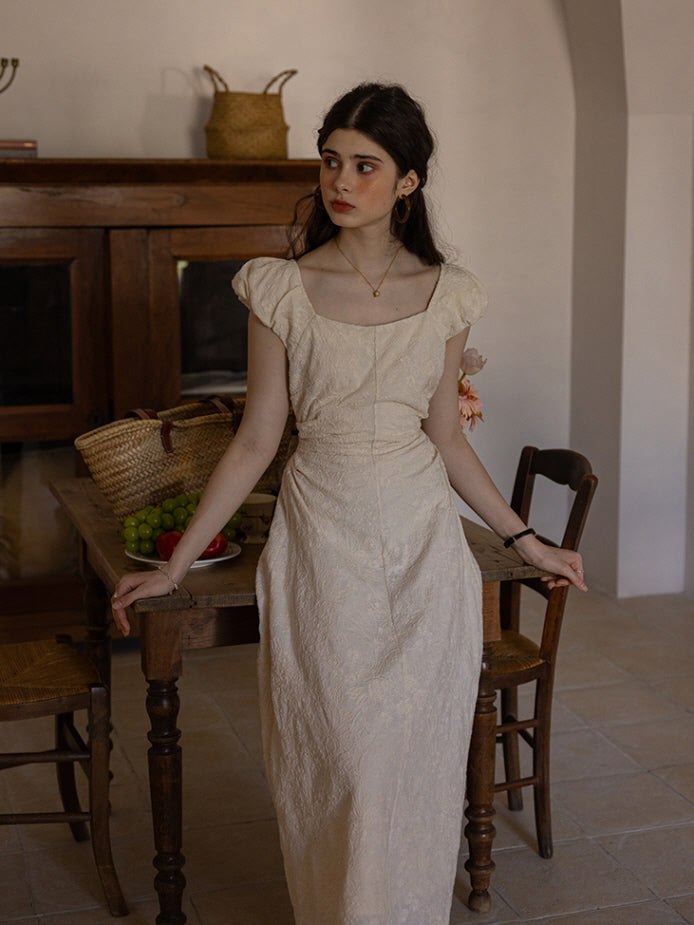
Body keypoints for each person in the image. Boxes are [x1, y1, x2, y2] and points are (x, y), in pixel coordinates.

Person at [112, 83, 587, 925]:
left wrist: (527, 540)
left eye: (365, 165)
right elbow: (258, 440)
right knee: (342, 762)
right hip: (321, 547)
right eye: (331, 160)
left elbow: (445, 436)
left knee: (411, 768)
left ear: (407, 182)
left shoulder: (449, 293)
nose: (341, 179)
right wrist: (176, 564)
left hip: (422, 554)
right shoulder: (280, 289)